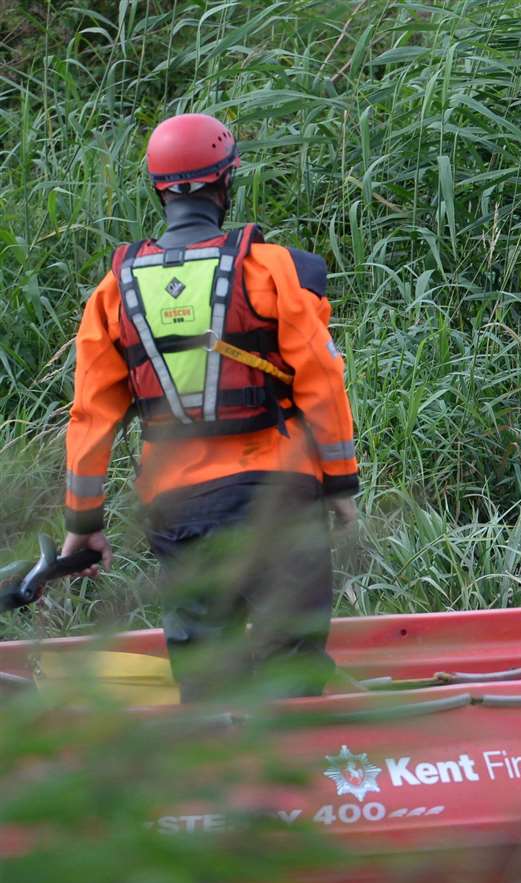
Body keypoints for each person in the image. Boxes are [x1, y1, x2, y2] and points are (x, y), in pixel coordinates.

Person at [60, 112, 360, 701]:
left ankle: (215, 785)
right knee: (290, 668)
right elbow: (321, 381)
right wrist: (342, 487)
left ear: (158, 189)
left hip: (179, 508)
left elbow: (90, 417)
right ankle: (301, 782)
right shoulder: (271, 269)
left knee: (206, 677)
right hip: (278, 495)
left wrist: (82, 524)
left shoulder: (114, 291)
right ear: (227, 182)